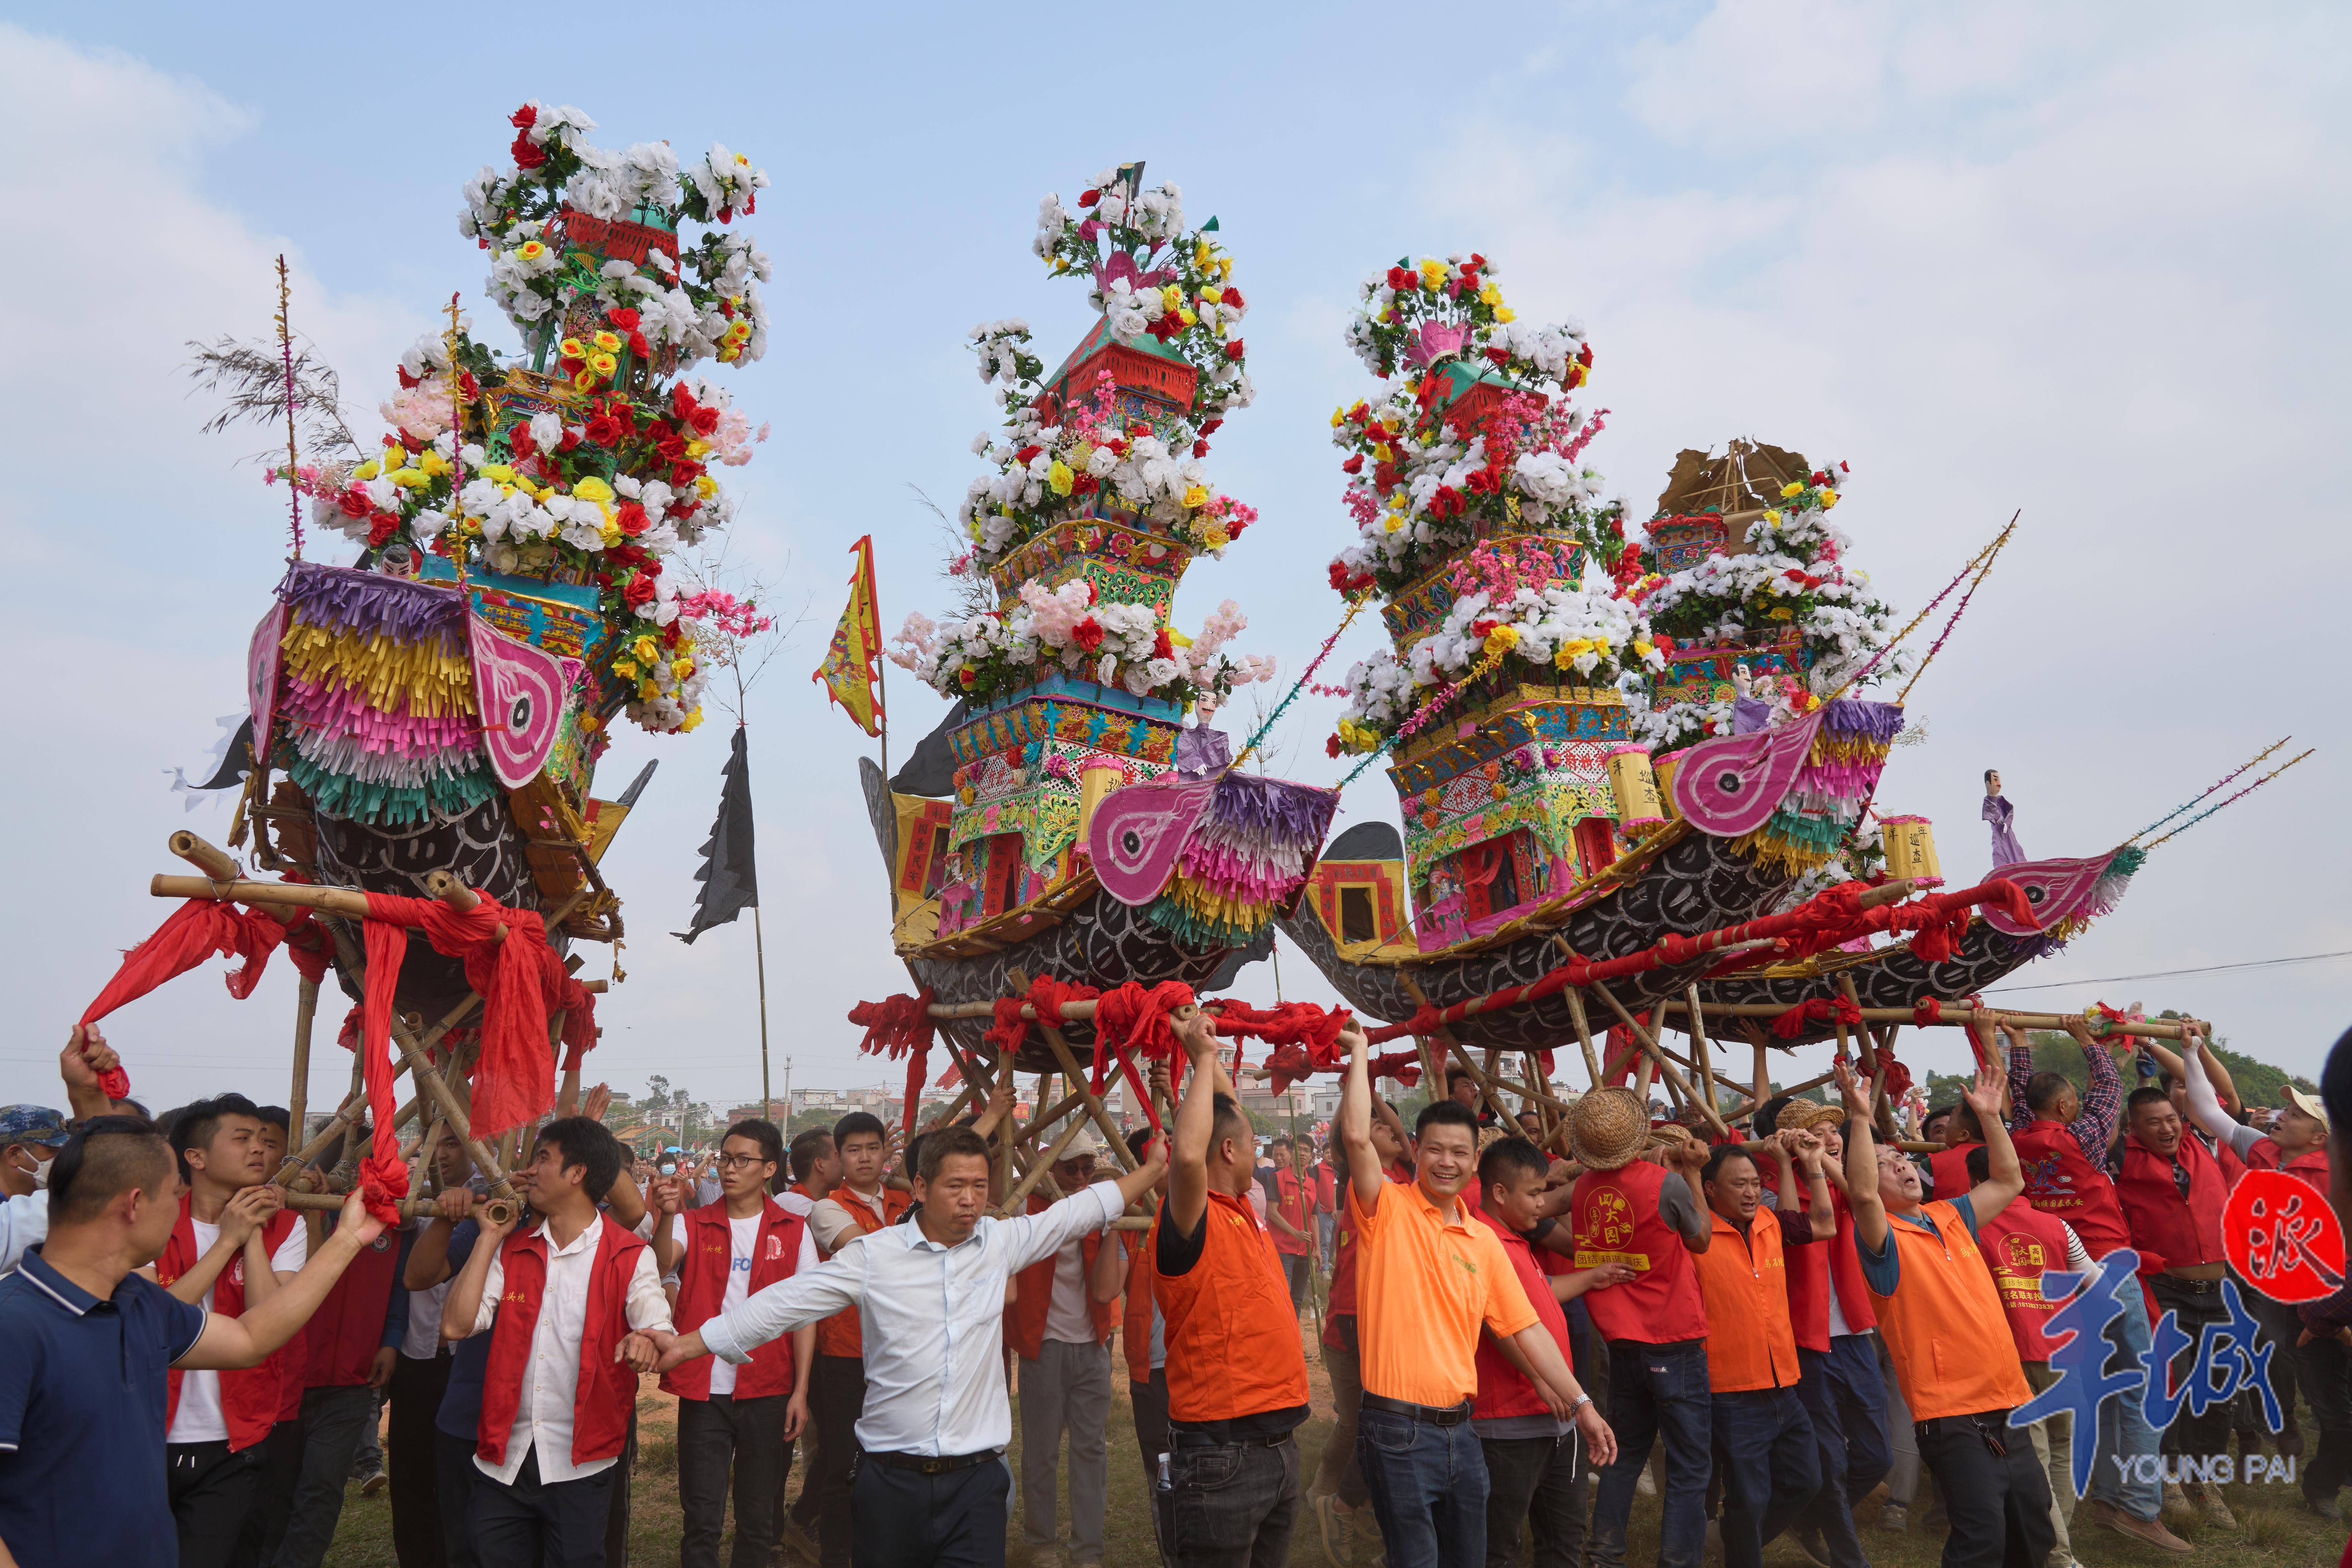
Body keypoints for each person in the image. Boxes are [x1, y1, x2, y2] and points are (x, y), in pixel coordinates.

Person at [640, 1124, 1171, 1568]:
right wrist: (689, 1346)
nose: (970, 1200)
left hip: (977, 1482)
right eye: (955, 1186)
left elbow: (1077, 1213)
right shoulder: (875, 1256)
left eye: (980, 1186)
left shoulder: (1000, 1244)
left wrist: (1151, 1171)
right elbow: (786, 1303)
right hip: (890, 1481)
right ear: (919, 1187)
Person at [0, 1116, 389, 1568]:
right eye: (174, 1194)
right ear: (134, 1205)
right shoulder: (17, 1325)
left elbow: (249, 1339)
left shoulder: (138, 1303)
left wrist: (347, 1240)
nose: (181, 1206)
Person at [1339, 1023, 1609, 1568]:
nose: (1446, 1161)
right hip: (1396, 1428)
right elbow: (1355, 1139)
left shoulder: (1482, 1238)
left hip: (1462, 1432)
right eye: (1435, 1149)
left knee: (1471, 1557)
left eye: (1458, 1152)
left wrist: (1580, 1402)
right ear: (1417, 1152)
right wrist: (1362, 1056)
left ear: (1472, 1160)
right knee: (1415, 1558)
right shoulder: (1386, 1209)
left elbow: (1526, 1325)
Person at [1839, 1058, 2055, 1568]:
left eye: (1904, 1161)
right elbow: (1865, 1194)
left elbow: (2008, 1179)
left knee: (2033, 1528)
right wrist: (1860, 1120)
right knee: (1981, 1539)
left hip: (2008, 1397)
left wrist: (1990, 1118)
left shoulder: (1950, 1215)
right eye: (1887, 1164)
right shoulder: (1882, 1240)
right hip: (1952, 1412)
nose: (1901, 1168)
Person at [441, 1116, 674, 1568]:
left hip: (581, 1464)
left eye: (543, 1158)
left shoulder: (629, 1255)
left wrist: (646, 1341)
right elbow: (455, 1326)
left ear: (577, 1173)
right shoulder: (512, 1248)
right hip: (501, 1460)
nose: (530, 1171)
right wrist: (489, 1236)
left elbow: (657, 1328)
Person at [1998, 1013, 2183, 1551]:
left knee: (2099, 1388)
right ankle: (2140, 1506)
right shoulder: (2081, 1134)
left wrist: (2020, 1044)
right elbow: (2109, 1087)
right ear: (2064, 1107)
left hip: (2050, 1272)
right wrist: (2085, 1041)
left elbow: (2021, 1094)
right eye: (2072, 1100)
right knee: (2144, 1382)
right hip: (2104, 1267)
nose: (2082, 1104)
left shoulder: (2013, 1137)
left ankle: (2106, 1497)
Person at [1153, 1008, 1314, 1567]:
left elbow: (1228, 1117)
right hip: (1222, 1456)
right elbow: (1192, 1152)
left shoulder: (1242, 1207)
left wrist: (1210, 1053)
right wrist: (1200, 1057)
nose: (1257, 1154)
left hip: (1278, 1448)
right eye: (1248, 1146)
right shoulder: (1189, 1218)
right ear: (1230, 1153)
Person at [653, 1119, 817, 1568]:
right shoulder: (693, 1223)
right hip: (705, 1390)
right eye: (726, 1158)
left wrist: (800, 1391)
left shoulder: (794, 1231)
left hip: (768, 1389)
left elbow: (804, 1317)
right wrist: (667, 1215)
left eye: (742, 1160)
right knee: (701, 1518)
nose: (729, 1169)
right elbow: (662, 1261)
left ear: (769, 1169)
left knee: (759, 1518)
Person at [154, 1092, 309, 1568]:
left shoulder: (288, 1225)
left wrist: (254, 1234)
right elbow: (157, 1322)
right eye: (241, 1139)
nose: (259, 1149)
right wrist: (227, 1242)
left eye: (263, 1140)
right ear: (195, 1158)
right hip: (147, 1431)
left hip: (235, 1438)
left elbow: (265, 1328)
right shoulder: (154, 1218)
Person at [1566, 1087, 1712, 1568]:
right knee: (1690, 1464)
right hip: (1672, 1337)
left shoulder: (1585, 1187)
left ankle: (1604, 1553)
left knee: (1625, 1453)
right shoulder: (1662, 1183)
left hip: (1621, 1339)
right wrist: (1691, 1172)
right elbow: (1702, 1240)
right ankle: (1678, 1561)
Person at [1473, 1136, 1633, 1568]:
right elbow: (1499, 1326)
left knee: (1564, 1540)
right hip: (1508, 1423)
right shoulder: (1477, 1242)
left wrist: (1591, 1277)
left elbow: (1539, 1294)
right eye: (1534, 1194)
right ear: (1500, 1193)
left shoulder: (1515, 1239)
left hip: (1558, 1419)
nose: (1542, 1204)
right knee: (1499, 1546)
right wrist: (1547, 1381)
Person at [1751, 1098, 1891, 1568]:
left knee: (1877, 1456)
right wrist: (1799, 1164)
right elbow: (1800, 1230)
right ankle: (1850, 1559)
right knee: (1829, 1463)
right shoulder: (1771, 1196)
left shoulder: (1848, 1190)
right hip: (1805, 1343)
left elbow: (1863, 1191)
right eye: (1818, 1132)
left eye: (1834, 1130)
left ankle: (1802, 1516)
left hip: (1854, 1334)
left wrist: (1821, 1156)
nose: (1832, 1138)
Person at [2115, 1042, 2248, 1529]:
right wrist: (2119, 1055)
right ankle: (2167, 1475)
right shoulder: (2120, 1155)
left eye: (2173, 1118)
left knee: (2218, 1390)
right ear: (2134, 1129)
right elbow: (2104, 1113)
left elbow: (2213, 1092)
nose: (2168, 1128)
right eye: (2154, 1123)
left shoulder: (2204, 1141)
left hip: (2217, 1292)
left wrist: (2174, 1046)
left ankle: (2203, 1477)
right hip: (2163, 1291)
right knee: (2169, 1386)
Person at [268, 1126, 410, 1568]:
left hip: (351, 1383)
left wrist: (391, 1339)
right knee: (274, 1488)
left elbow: (398, 1290)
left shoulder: (392, 1221)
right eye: (345, 1164)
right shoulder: (295, 1215)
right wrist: (316, 1211)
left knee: (321, 1490)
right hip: (287, 1378)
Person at [1693, 1133, 1834, 1568]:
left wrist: (1809, 1164)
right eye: (1739, 1184)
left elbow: (1825, 1223)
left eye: (1755, 1182)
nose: (1752, 1192)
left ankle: (1728, 1539)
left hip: (1784, 1385)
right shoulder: (1696, 1238)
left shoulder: (1771, 1225)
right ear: (1710, 1190)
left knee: (1806, 1480)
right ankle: (1740, 1549)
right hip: (1732, 1391)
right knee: (1748, 1497)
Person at [1964, 1143, 2090, 1568]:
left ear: (1975, 1183)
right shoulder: (2056, 1225)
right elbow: (2090, 1279)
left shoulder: (1967, 1228)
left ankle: (2057, 1552)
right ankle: (2059, 1545)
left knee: (2034, 1460)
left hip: (2010, 1355)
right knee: (2065, 1449)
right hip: (2064, 1352)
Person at [1007, 1123, 1120, 1568]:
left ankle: (1087, 1550)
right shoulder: (1027, 1210)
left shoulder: (1102, 1212)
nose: (1077, 1177)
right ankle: (1040, 1544)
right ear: (1051, 1171)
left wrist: (1112, 1229)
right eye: (1068, 1169)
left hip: (1094, 1344)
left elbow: (1109, 1289)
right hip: (1045, 1345)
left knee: (1090, 1449)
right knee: (1040, 1450)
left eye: (1085, 1168)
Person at [799, 1111, 909, 1568]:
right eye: (853, 1150)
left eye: (872, 1148)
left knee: (898, 1462)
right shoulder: (829, 1207)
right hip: (846, 1354)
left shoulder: (906, 1199)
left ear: (886, 1153)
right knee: (844, 1465)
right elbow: (868, 1256)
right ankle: (837, 1556)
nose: (864, 1158)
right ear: (838, 1158)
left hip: (902, 1352)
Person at [1309, 1103, 1413, 1564]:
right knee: (1367, 1422)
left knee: (1364, 1422)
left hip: (1375, 1314)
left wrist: (1376, 1096)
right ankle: (1334, 1499)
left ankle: (1346, 1500)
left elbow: (1407, 1142)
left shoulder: (1405, 1180)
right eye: (1378, 1128)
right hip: (1357, 1317)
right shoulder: (1366, 1184)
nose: (1392, 1130)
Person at [386, 1129, 472, 1568]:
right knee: (411, 1478)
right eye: (431, 1145)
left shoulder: (494, 1201)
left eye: (453, 1143)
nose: (441, 1155)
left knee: (463, 1479)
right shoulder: (411, 1202)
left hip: (468, 1367)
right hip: (415, 1361)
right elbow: (381, 1181)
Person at [1266, 1135, 1315, 1315]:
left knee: (1297, 1300)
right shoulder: (1277, 1179)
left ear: (1311, 1156)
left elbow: (1314, 1218)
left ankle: (1295, 1340)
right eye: (1299, 1149)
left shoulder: (1311, 1182)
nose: (1302, 1153)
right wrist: (1295, 1233)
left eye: (1307, 1151)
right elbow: (1272, 1212)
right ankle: (1282, 1338)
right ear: (1292, 1153)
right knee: (1282, 1297)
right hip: (1283, 1249)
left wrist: (1316, 1248)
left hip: (1305, 1250)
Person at [1984, 768, 2027, 867]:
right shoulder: (1989, 801)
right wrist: (1998, 818)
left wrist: (2007, 823)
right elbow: (1989, 810)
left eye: (1998, 779)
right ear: (1988, 784)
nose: (1998, 783)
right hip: (1999, 833)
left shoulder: (2002, 801)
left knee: (2015, 849)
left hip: (2008, 832)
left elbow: (2010, 811)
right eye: (1995, 780)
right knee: (2001, 850)